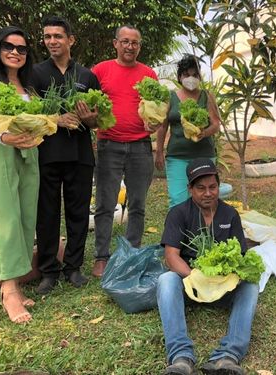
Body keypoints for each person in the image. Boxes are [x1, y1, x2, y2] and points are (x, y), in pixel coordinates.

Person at [156, 158, 258, 375]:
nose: (208, 193)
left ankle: (228, 357)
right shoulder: (179, 214)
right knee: (166, 280)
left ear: (218, 187)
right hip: (190, 286)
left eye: (213, 187)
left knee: (250, 286)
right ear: (190, 189)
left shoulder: (230, 214)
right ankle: (181, 358)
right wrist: (196, 278)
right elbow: (171, 256)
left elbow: (240, 256)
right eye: (201, 188)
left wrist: (222, 278)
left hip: (222, 287)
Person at [31, 16, 100, 295]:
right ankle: (48, 271)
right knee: (46, 214)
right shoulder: (35, 73)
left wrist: (90, 117)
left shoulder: (87, 76)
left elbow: (97, 120)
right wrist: (55, 118)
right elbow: (28, 115)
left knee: (78, 212)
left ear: (70, 40)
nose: (52, 42)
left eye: (58, 36)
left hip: (80, 155)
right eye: (47, 37)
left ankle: (73, 267)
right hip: (46, 154)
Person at [0, 26, 38, 323]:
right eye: (8, 47)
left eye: (22, 49)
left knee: (26, 216)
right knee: (7, 218)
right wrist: (6, 138)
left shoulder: (27, 85)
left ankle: (18, 282)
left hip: (29, 151)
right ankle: (9, 290)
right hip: (0, 150)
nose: (15, 52)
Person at [91, 25, 158, 277]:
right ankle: (101, 256)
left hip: (141, 146)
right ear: (115, 43)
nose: (130, 46)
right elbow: (88, 103)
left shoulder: (149, 74)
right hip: (109, 145)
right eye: (125, 41)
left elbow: (157, 107)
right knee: (105, 204)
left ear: (139, 46)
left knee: (138, 204)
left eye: (135, 43)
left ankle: (131, 252)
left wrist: (156, 122)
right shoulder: (100, 70)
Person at [155, 54, 221, 208]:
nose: (190, 78)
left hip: (204, 155)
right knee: (177, 199)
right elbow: (162, 126)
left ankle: (203, 231)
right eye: (186, 75)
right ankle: (178, 231)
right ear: (179, 77)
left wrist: (204, 133)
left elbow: (216, 124)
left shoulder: (207, 96)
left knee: (205, 199)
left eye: (194, 75)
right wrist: (159, 151)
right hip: (177, 156)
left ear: (199, 76)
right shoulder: (170, 97)